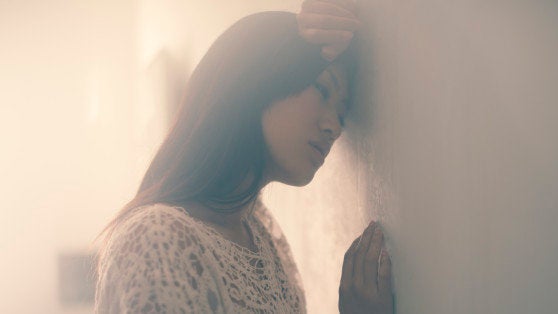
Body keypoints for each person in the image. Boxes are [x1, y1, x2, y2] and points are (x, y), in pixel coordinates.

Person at [95, 1, 393, 313]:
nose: (333, 126)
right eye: (322, 90)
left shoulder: (259, 235)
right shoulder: (159, 238)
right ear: (257, 78)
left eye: (342, 116)